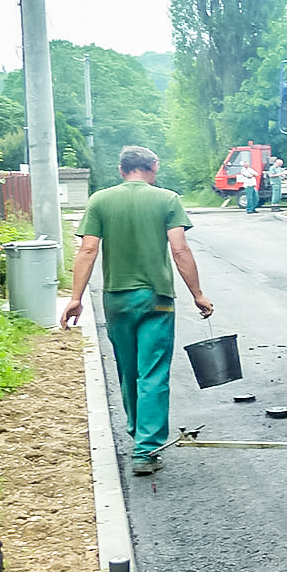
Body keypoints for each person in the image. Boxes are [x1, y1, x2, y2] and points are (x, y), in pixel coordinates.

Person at [61, 146, 214, 475]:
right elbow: (180, 249)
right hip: (156, 299)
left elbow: (88, 249)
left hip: (116, 298)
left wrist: (75, 297)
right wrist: (198, 294)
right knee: (153, 372)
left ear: (121, 170)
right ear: (153, 167)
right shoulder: (167, 199)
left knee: (128, 370)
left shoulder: (100, 200)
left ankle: (138, 434)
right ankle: (146, 449)